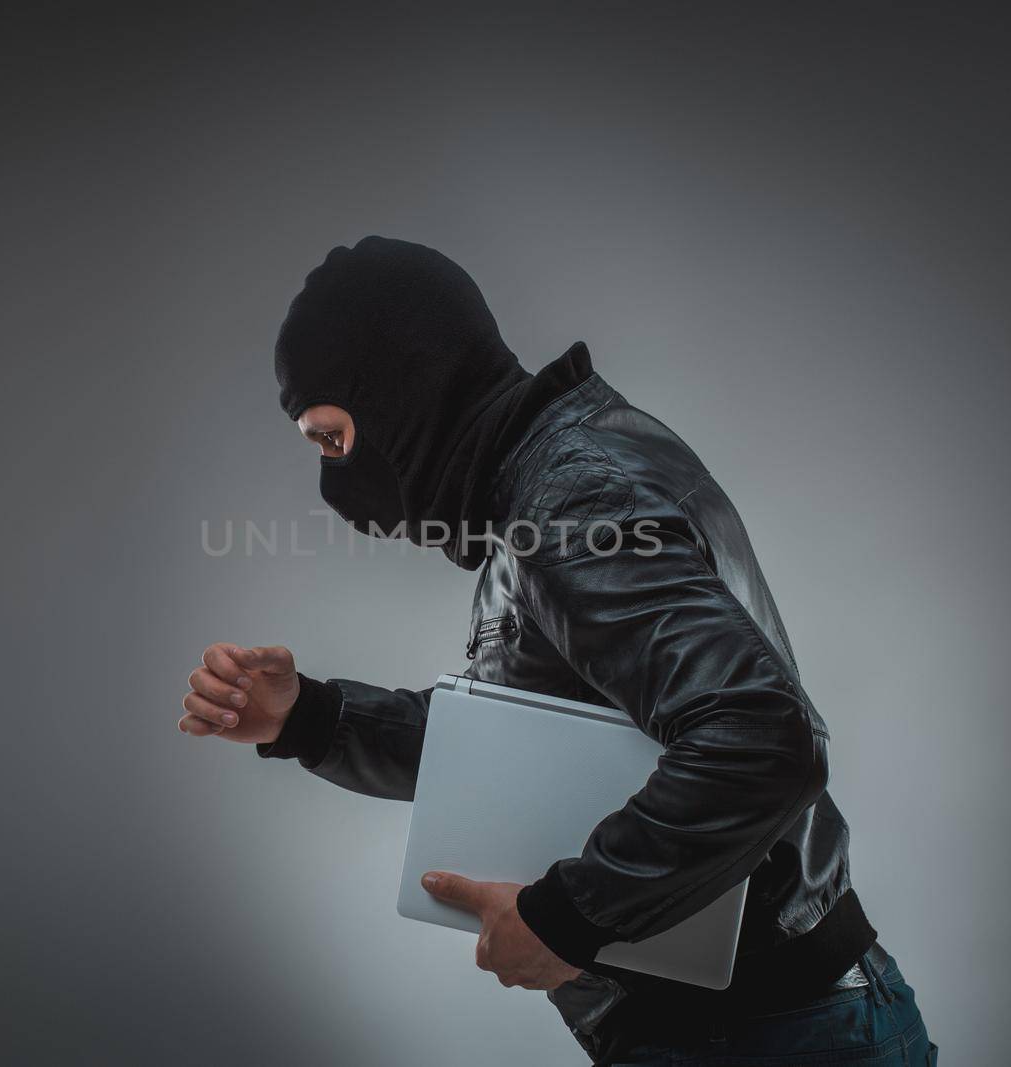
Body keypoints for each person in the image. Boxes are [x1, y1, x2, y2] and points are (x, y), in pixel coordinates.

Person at [178, 237, 936, 1065]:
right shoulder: (556, 477)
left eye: (334, 439)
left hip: (768, 1037)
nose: (336, 482)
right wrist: (310, 717)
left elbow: (761, 737)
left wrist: (569, 919)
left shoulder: (573, 498)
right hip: (771, 1026)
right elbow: (520, 746)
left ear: (402, 392)